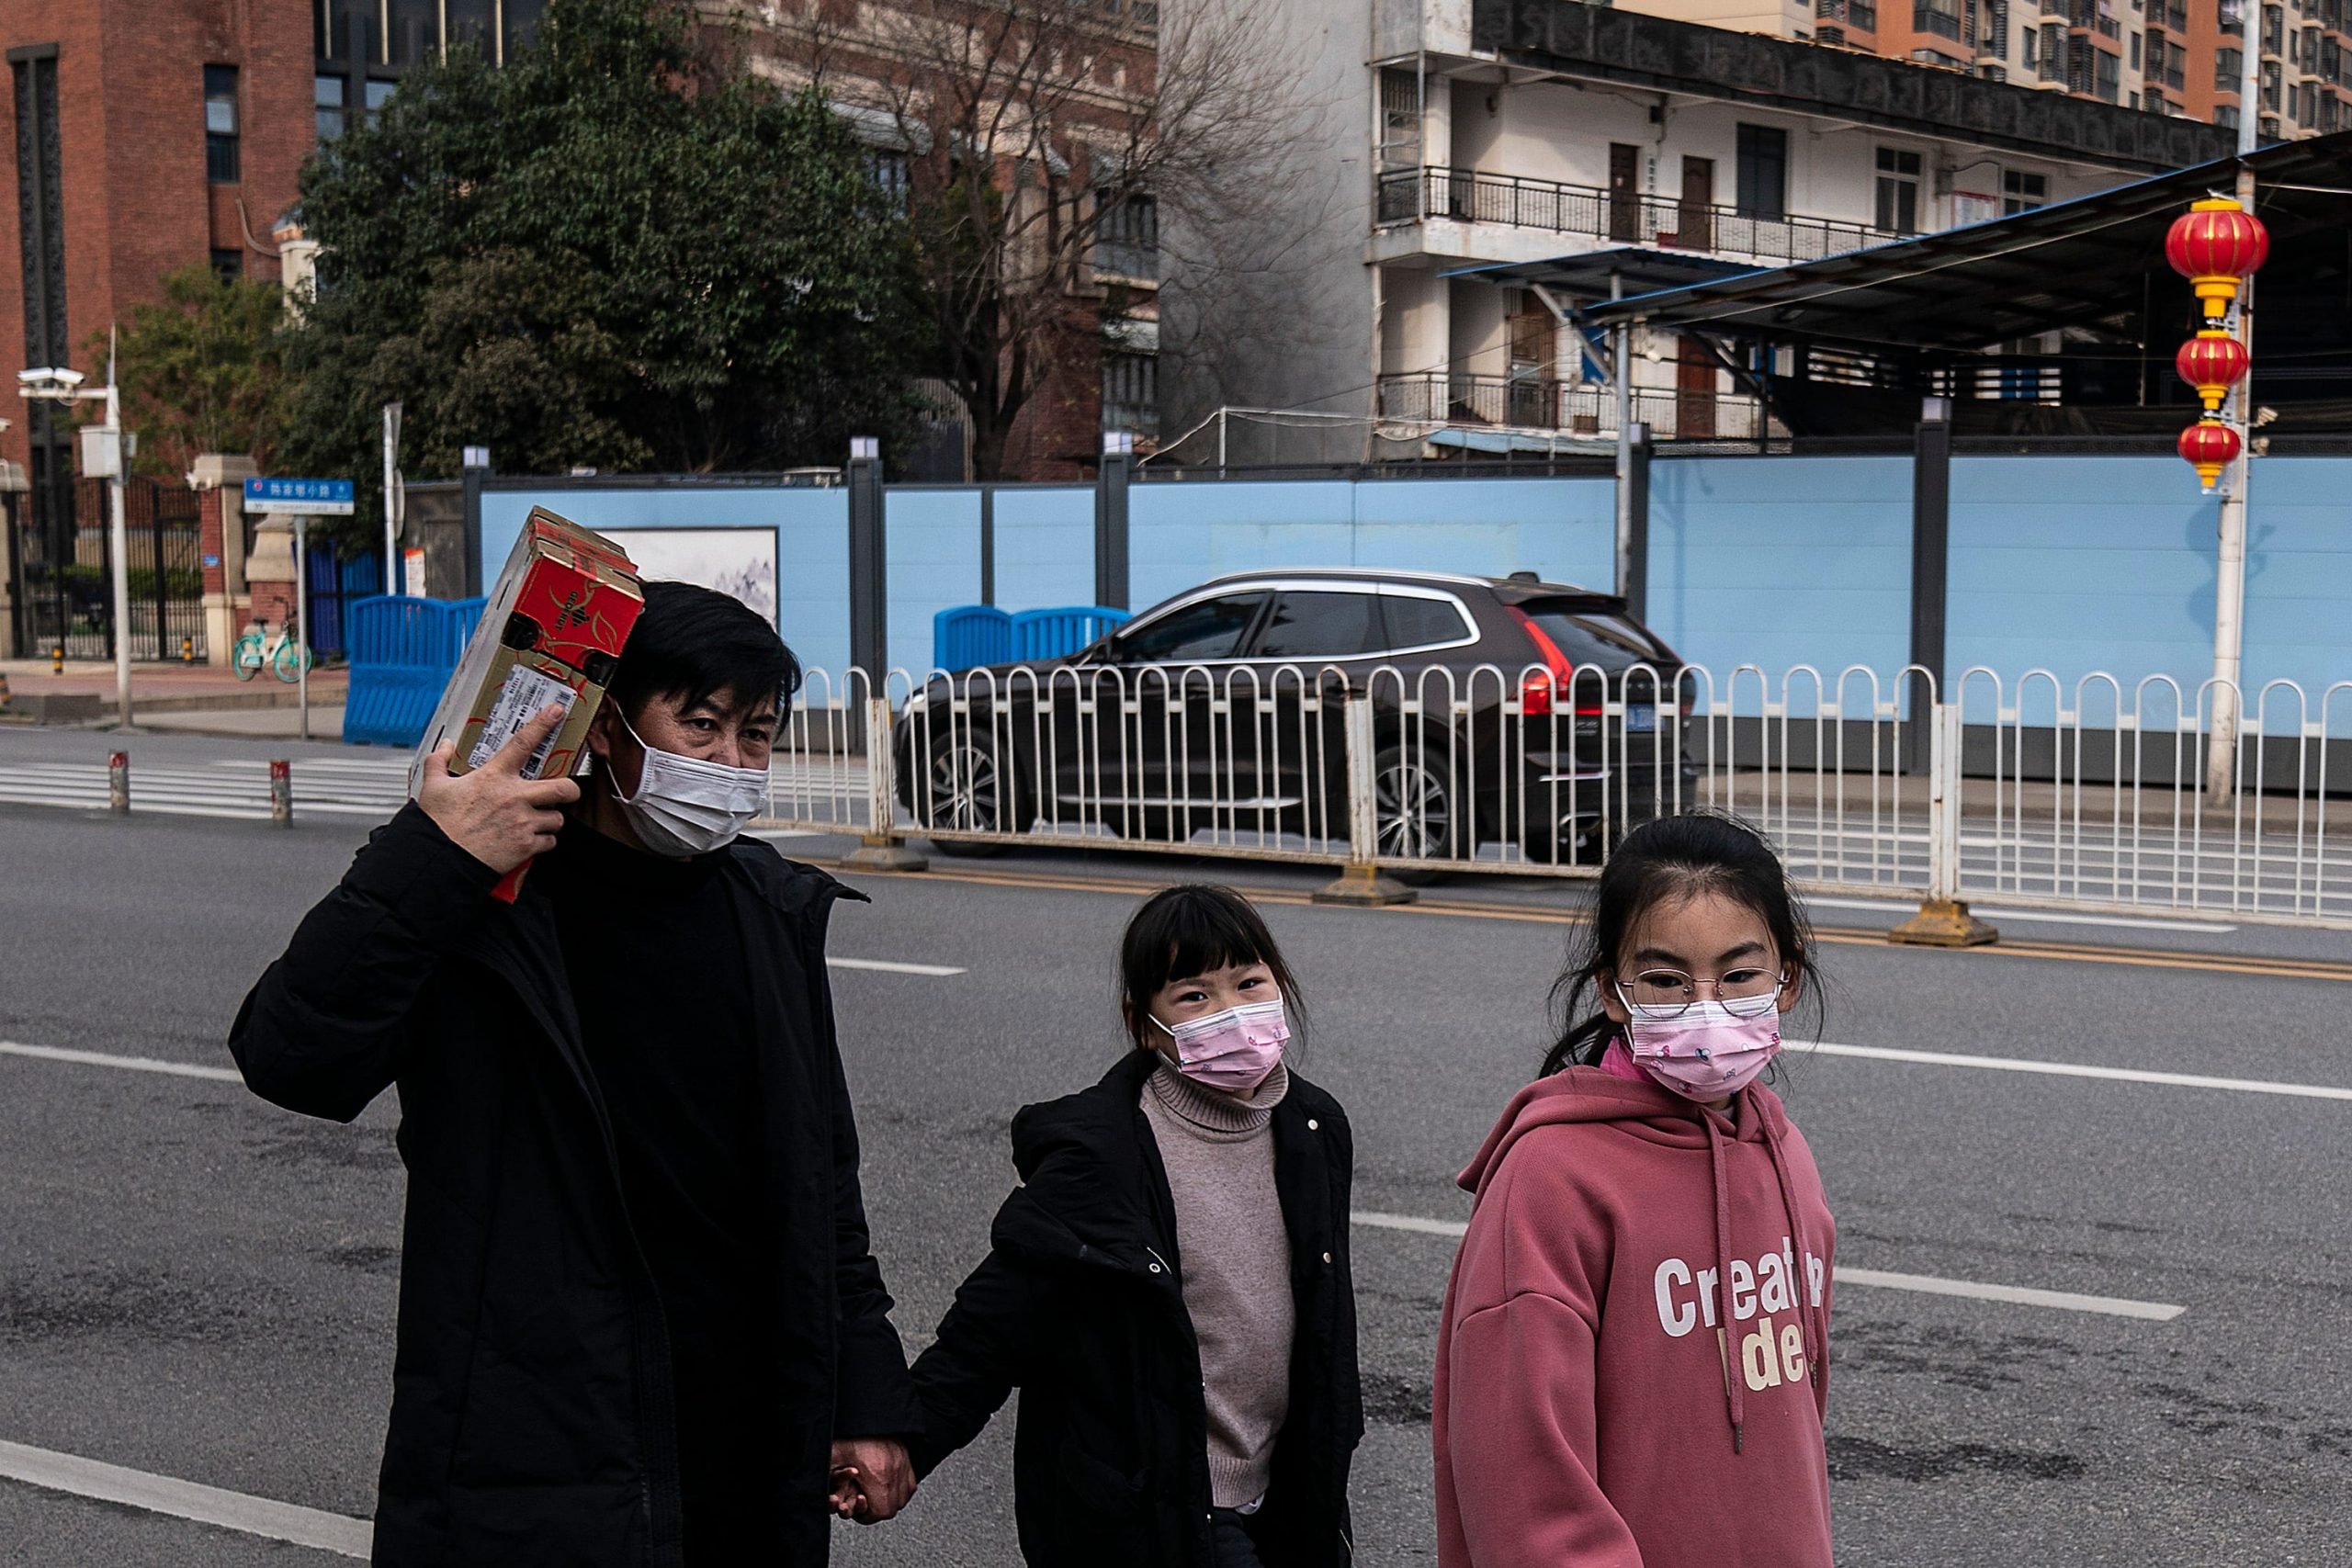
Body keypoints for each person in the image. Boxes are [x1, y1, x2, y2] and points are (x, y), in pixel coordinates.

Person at [230, 581, 920, 1566]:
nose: (731, 765)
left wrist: (864, 1391)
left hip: (741, 1442)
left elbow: (822, 1187)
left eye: (757, 736)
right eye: (700, 726)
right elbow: (289, 1056)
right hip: (541, 1449)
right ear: (605, 733)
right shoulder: (484, 902)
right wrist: (433, 855)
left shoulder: (769, 911)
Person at [907, 885, 1363, 1568]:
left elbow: (1322, 1310)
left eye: (1248, 982)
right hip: (1159, 1500)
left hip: (1289, 1488)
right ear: (1146, 1024)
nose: (1232, 1012)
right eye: (1195, 996)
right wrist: (901, 1442)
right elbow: (995, 1324)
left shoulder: (1313, 1125)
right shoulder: (1102, 1155)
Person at [1433, 812, 1837, 1568]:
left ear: (1788, 978)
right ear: (1613, 993)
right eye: (1665, 980)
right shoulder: (1551, 1180)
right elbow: (1523, 1483)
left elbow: (1793, 1423)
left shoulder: (1784, 1153)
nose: (1707, 1007)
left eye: (1739, 975)